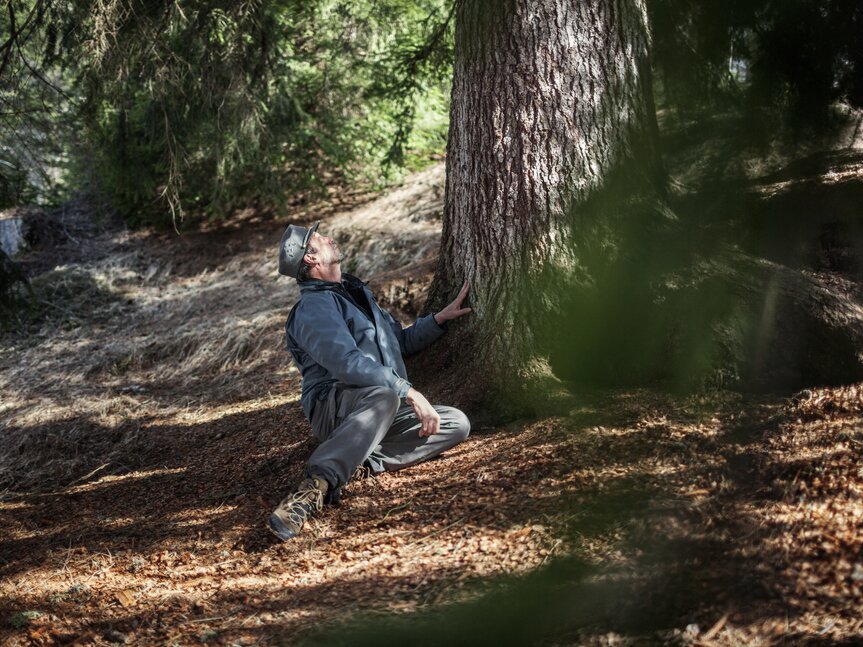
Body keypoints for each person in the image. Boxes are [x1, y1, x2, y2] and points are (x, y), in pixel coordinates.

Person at [269, 220, 472, 541]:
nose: (329, 238)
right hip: (338, 407)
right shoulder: (313, 307)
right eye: (320, 239)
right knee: (384, 395)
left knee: (456, 423)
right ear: (310, 259)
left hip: (383, 406)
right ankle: (314, 487)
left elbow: (399, 344)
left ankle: (358, 461)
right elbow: (346, 363)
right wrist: (407, 391)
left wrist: (438, 320)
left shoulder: (354, 294)